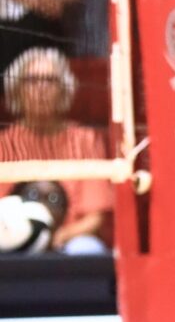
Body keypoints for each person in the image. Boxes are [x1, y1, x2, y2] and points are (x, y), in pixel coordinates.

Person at [0, 47, 111, 253]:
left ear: (64, 90)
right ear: (17, 91)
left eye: (50, 81)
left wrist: (63, 236)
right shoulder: (4, 143)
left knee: (87, 250)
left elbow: (95, 217)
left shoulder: (86, 140)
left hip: (71, 239)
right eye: (32, 81)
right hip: (13, 239)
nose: (41, 89)